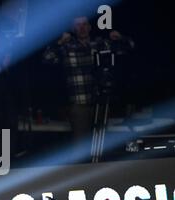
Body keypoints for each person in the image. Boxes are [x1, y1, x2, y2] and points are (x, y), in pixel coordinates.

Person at [43, 16, 134, 162]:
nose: (82, 27)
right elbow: (47, 58)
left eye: (85, 24)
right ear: (73, 29)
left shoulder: (99, 43)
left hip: (100, 101)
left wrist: (120, 38)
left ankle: (100, 176)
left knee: (102, 144)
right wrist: (59, 42)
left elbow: (129, 46)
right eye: (78, 25)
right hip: (79, 103)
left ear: (90, 27)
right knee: (81, 145)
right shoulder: (67, 47)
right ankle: (81, 177)